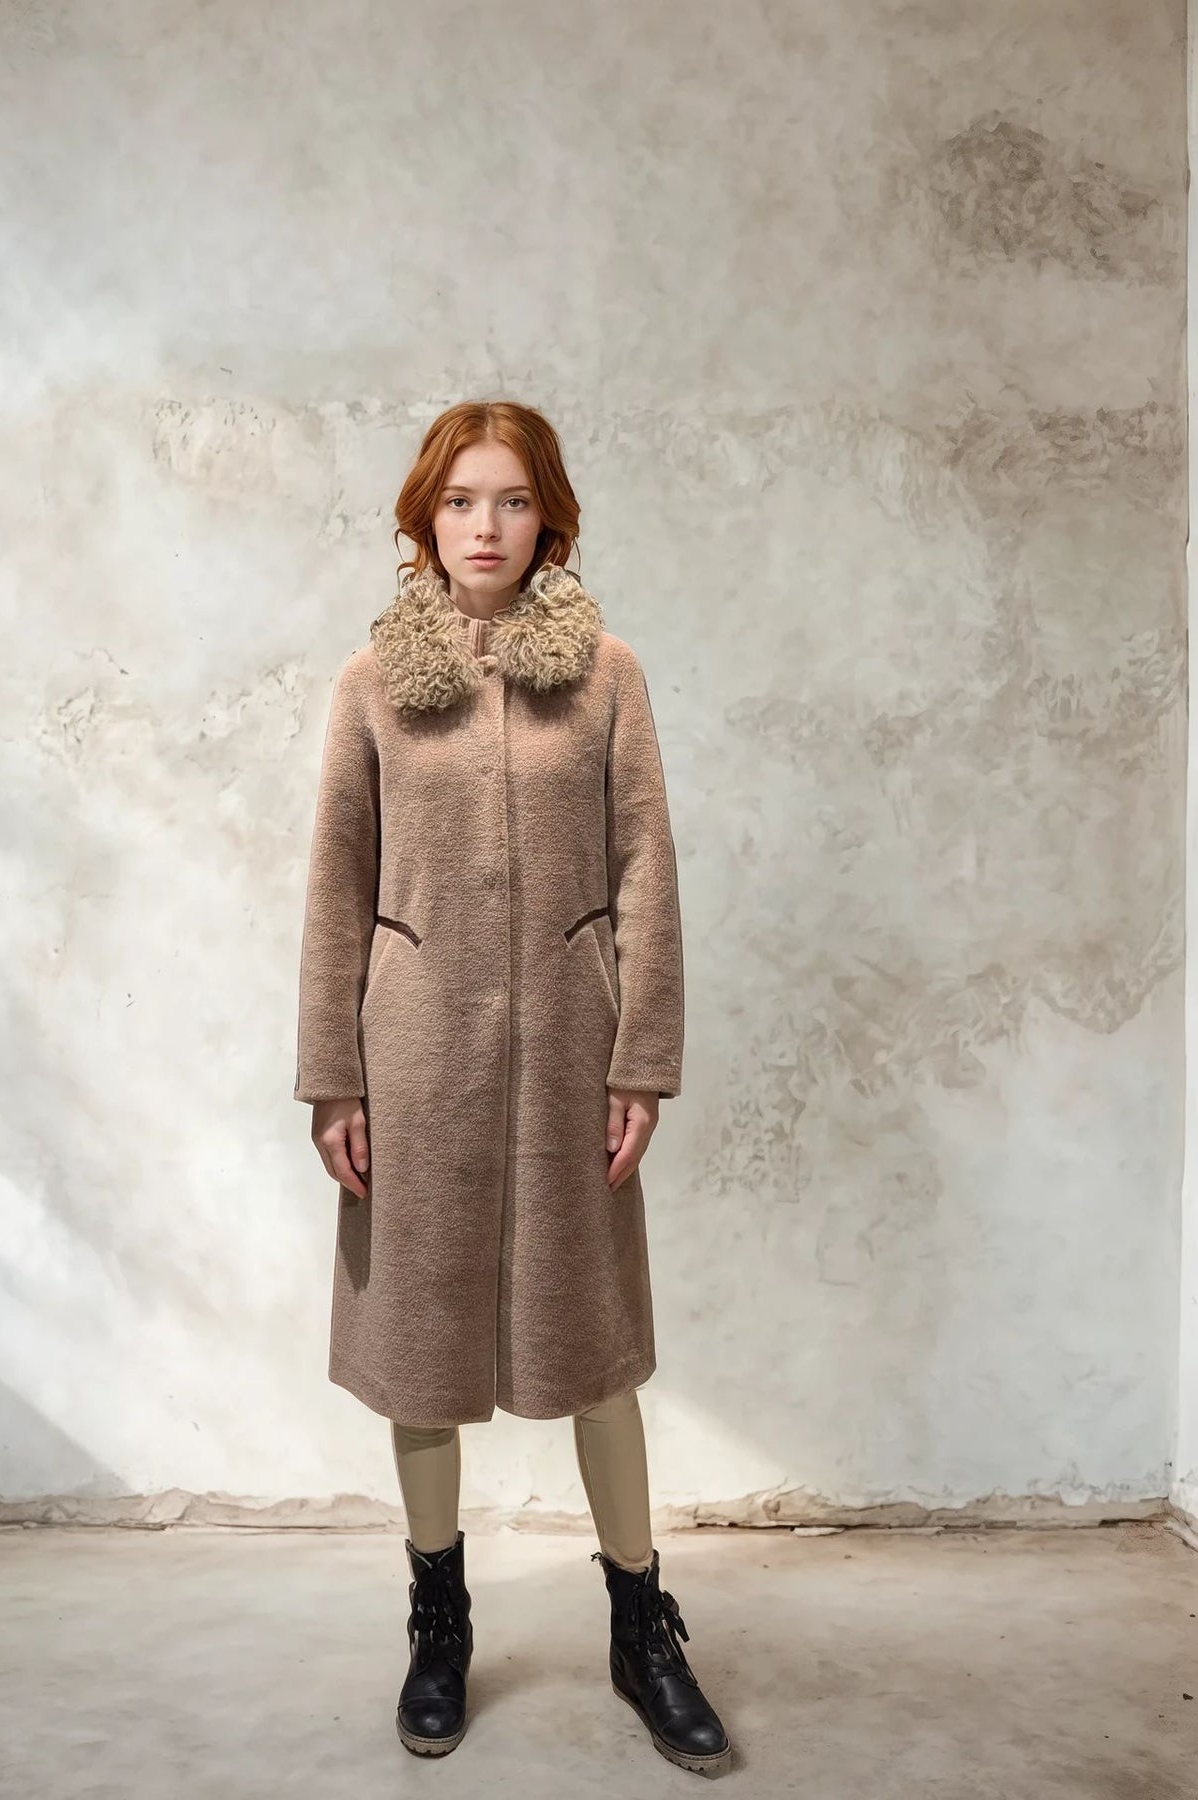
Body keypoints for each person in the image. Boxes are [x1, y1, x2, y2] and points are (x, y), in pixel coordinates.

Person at [294, 399, 731, 1778]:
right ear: (424, 520)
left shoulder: (606, 676)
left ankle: (641, 1624)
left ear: (552, 518)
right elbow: (336, 886)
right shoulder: (373, 683)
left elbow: (648, 871)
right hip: (413, 1058)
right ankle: (439, 1621)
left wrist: (643, 1057)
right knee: (420, 1342)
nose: (486, 526)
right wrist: (333, 1078)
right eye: (461, 501)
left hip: (569, 1061)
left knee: (594, 1340)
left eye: (514, 500)